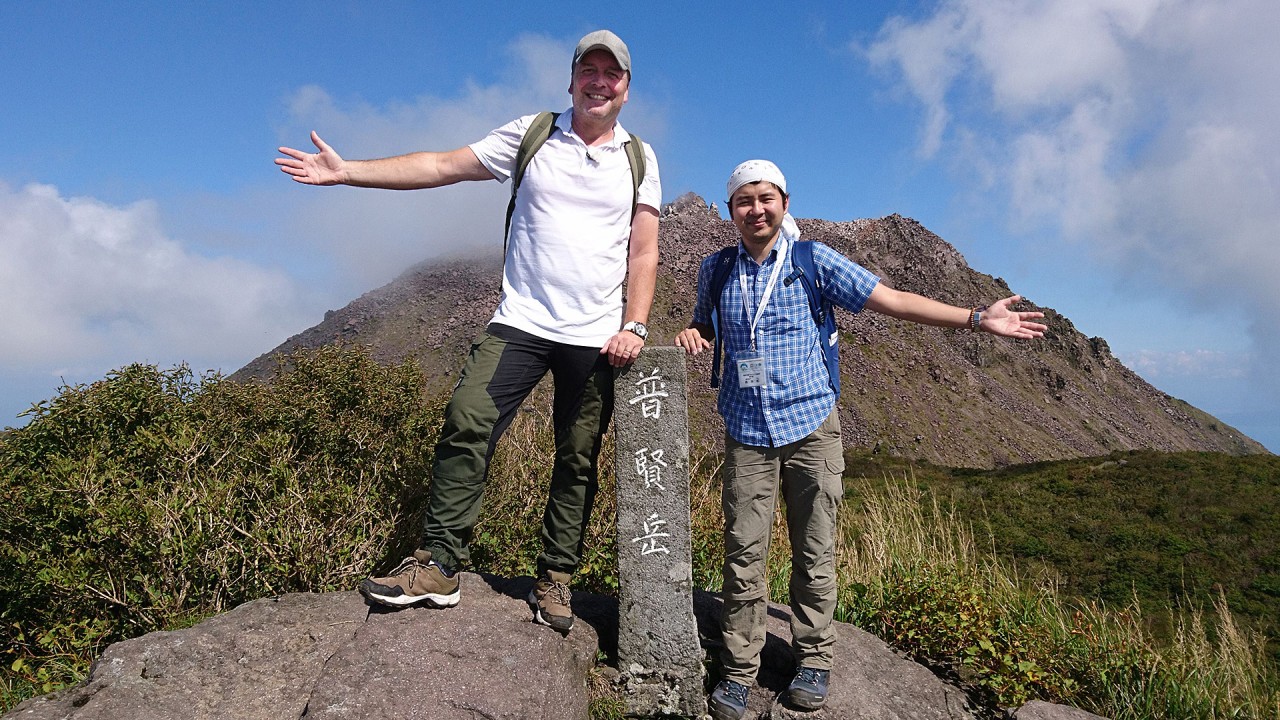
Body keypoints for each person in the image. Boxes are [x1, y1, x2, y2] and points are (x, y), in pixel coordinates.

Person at [275, 30, 660, 634]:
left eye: (612, 74)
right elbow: (440, 165)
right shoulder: (532, 135)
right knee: (466, 419)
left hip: (594, 336)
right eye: (590, 69)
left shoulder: (640, 157)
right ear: (572, 79)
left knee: (577, 457)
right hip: (521, 322)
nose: (599, 82)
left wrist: (634, 323)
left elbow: (644, 251)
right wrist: (348, 172)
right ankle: (438, 564)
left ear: (626, 89)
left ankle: (556, 578)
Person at [675, 160, 1046, 718]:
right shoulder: (717, 268)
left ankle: (814, 658)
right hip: (746, 430)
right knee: (743, 553)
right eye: (744, 201)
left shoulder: (812, 261)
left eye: (765, 198)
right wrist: (693, 331)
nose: (756, 209)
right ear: (730, 210)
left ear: (784, 201)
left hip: (810, 428)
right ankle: (739, 670)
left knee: (814, 550)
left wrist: (975, 318)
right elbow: (706, 324)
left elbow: (891, 300)